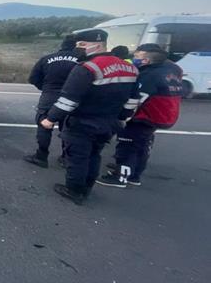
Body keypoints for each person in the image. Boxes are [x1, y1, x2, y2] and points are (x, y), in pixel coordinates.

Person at [41, 29, 139, 205]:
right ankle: (87, 187)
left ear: (98, 44)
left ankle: (74, 190)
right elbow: (133, 99)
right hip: (110, 121)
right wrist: (124, 116)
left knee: (77, 157)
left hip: (83, 121)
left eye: (82, 45)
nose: (79, 49)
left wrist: (51, 119)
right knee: (95, 154)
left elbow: (68, 99)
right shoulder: (130, 68)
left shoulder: (87, 68)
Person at [97, 43, 183, 188]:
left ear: (146, 60)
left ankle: (120, 176)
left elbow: (137, 99)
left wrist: (124, 115)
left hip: (145, 116)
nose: (134, 58)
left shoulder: (149, 75)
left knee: (127, 144)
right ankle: (134, 174)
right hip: (162, 116)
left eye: (137, 56)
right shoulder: (170, 70)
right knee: (141, 145)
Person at [24, 34, 81, 168]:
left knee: (44, 126)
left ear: (62, 45)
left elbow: (33, 78)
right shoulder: (82, 60)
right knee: (69, 129)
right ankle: (66, 158)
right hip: (72, 99)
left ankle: (41, 156)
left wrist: (45, 88)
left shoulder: (47, 59)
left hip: (49, 97)